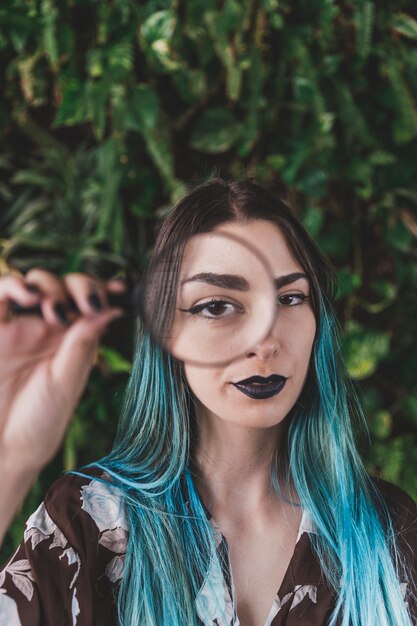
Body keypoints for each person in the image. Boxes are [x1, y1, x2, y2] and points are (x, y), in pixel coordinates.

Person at [0, 178, 416, 626]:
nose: (264, 341)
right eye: (218, 305)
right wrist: (12, 459)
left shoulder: (389, 532)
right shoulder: (86, 524)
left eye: (290, 297)